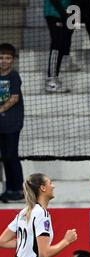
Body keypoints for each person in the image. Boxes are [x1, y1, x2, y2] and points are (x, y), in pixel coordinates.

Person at [0, 173, 78, 257]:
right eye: (50, 183)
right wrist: (66, 241)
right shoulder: (41, 214)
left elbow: (2, 241)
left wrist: (27, 242)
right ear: (42, 188)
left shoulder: (24, 212)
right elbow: (44, 253)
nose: (53, 186)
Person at [0, 43, 24, 203]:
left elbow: (14, 98)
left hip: (12, 123)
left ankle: (19, 189)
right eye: (1, 58)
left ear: (13, 60)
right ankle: (9, 189)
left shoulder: (14, 76)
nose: (3, 61)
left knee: (11, 155)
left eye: (7, 58)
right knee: (5, 156)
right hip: (1, 125)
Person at [44, 0, 73, 93]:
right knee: (56, 44)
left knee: (61, 44)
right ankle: (51, 82)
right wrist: (63, 13)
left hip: (64, 14)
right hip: (54, 13)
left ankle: (54, 79)